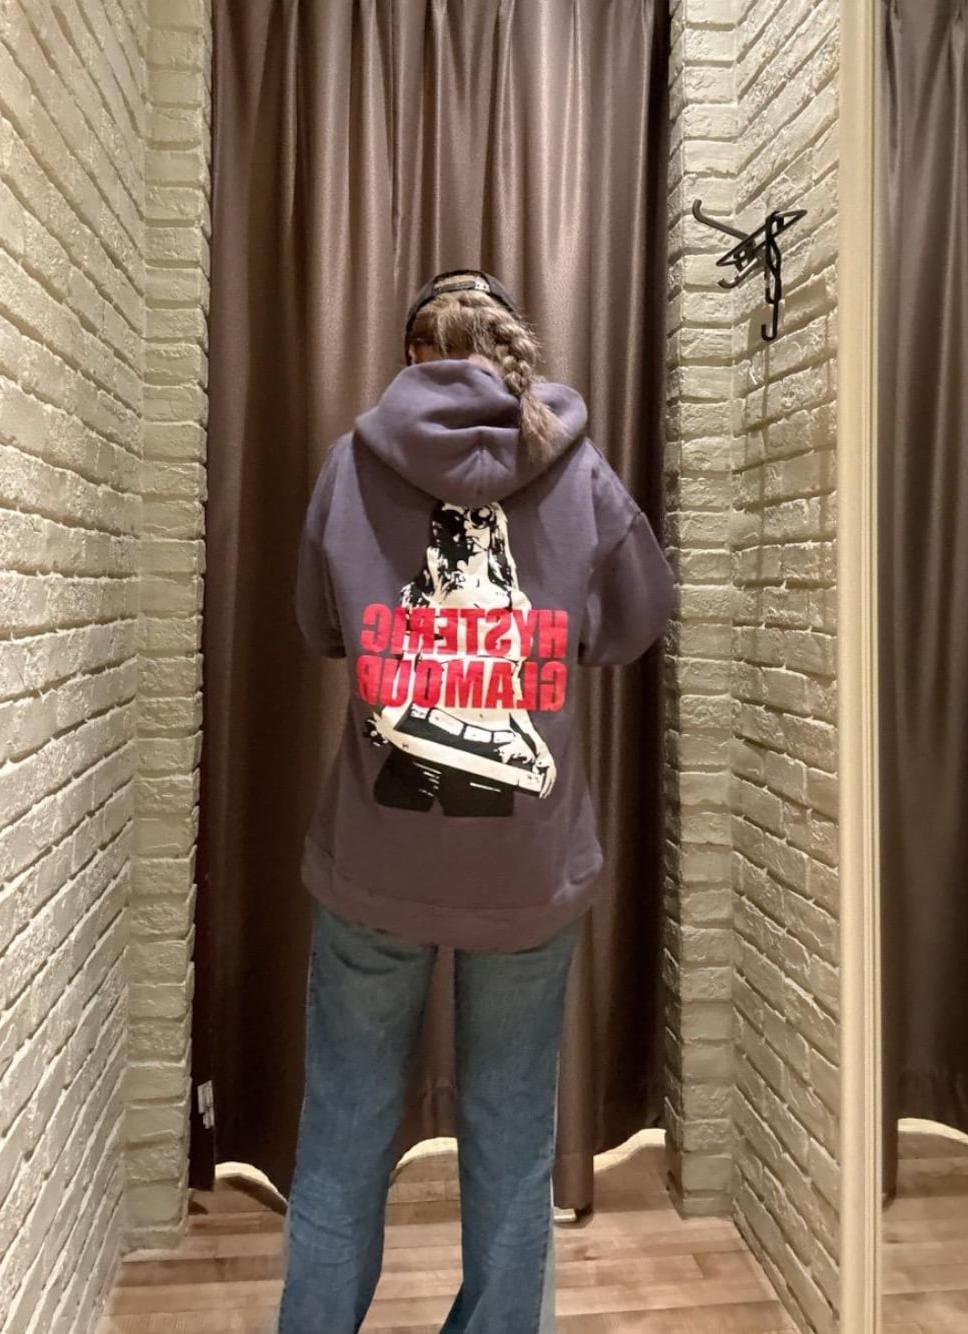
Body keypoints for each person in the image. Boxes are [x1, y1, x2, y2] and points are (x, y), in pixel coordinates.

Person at [276, 269, 675, 1333]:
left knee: (343, 1133)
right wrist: (554, 643)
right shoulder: (574, 465)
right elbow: (641, 614)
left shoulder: (352, 464)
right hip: (525, 872)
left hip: (377, 861)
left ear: (413, 355)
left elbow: (318, 623)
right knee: (510, 1133)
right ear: (507, 351)